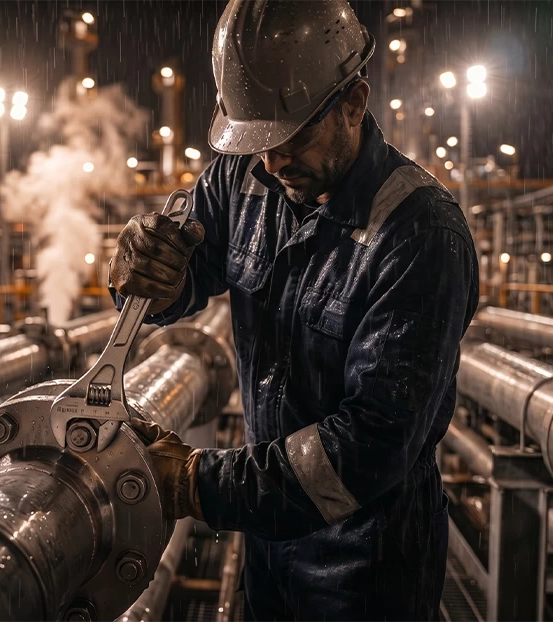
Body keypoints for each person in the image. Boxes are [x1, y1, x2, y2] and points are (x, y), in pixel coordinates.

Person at [109, 1, 479, 619]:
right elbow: (178, 279)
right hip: (268, 546)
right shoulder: (243, 178)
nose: (273, 161)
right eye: (259, 141)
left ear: (354, 102)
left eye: (295, 135)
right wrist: (143, 274)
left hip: (366, 570)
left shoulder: (420, 234)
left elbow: (370, 446)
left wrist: (196, 483)